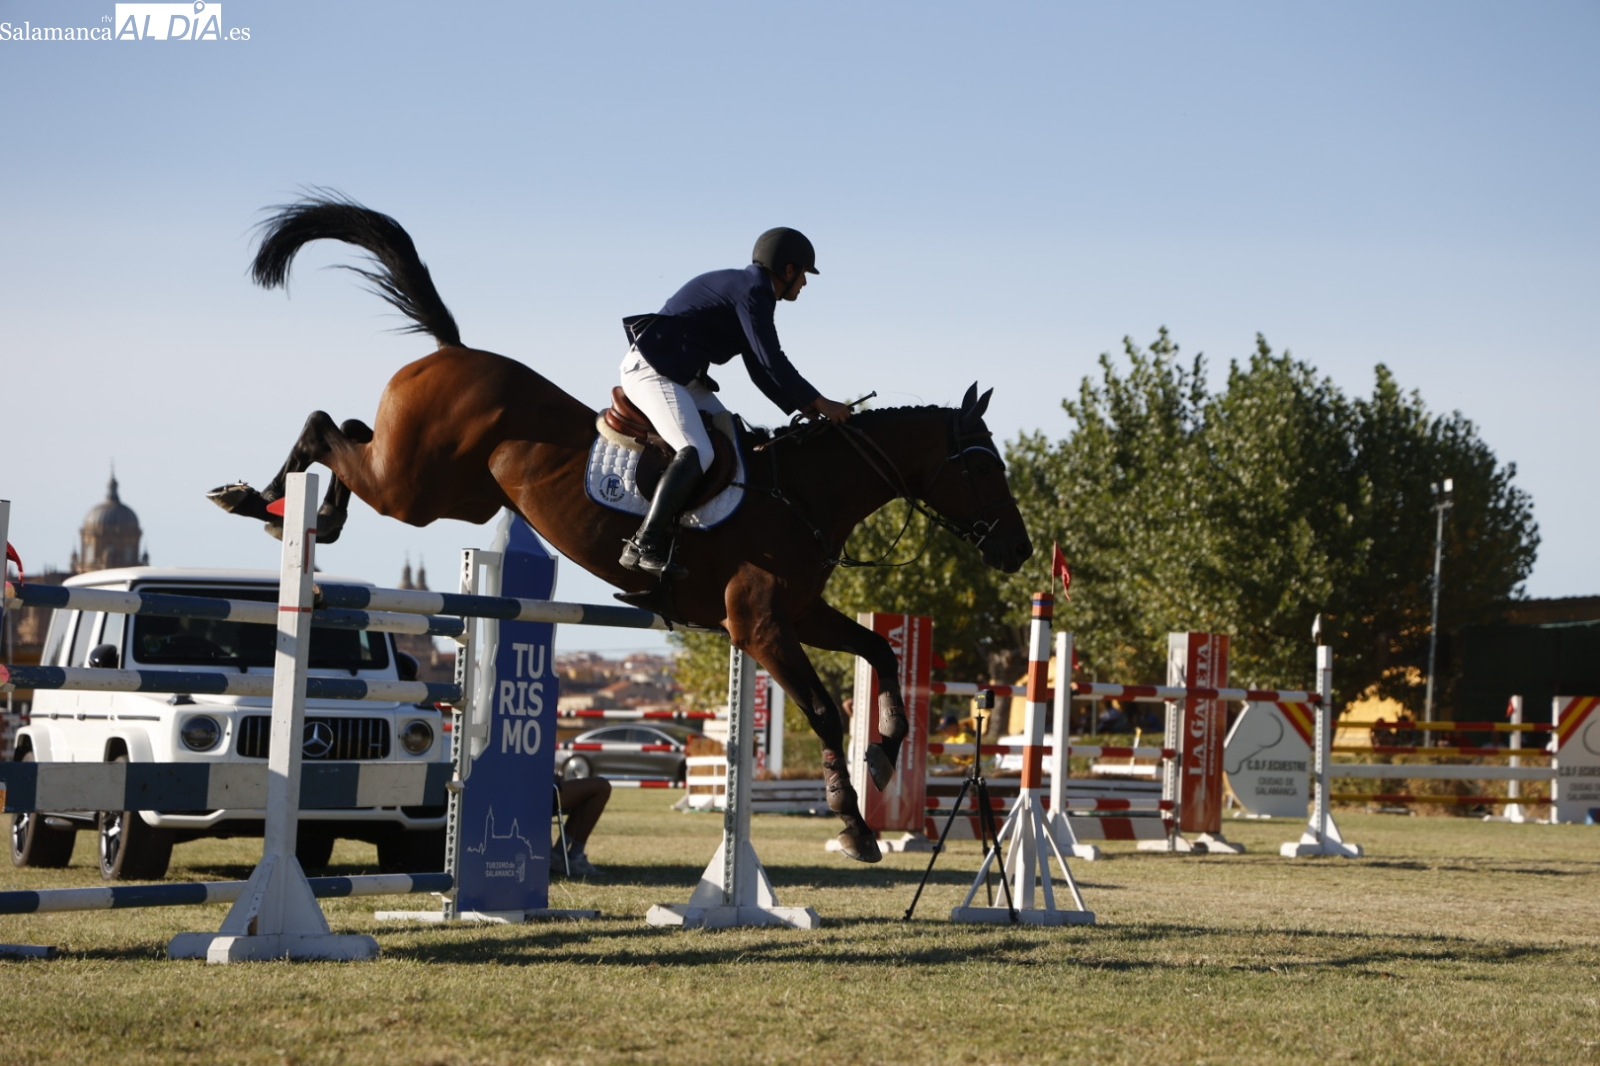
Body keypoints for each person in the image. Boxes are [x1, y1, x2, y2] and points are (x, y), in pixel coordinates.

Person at [617, 227, 853, 578]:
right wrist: (820, 401)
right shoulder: (754, 291)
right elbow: (771, 359)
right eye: (804, 274)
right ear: (788, 270)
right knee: (698, 451)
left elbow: (759, 369)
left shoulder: (751, 290)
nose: (804, 283)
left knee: (729, 438)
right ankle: (643, 543)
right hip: (654, 371)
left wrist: (806, 409)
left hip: (681, 375)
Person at [555, 776, 612, 878]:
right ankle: (573, 855)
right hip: (535, 791)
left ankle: (560, 853)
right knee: (602, 787)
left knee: (587, 792)